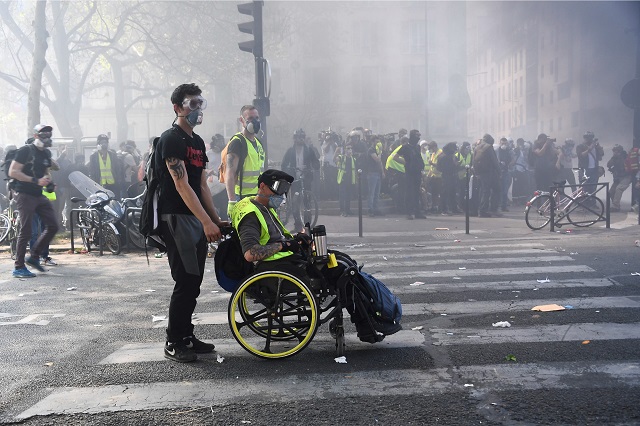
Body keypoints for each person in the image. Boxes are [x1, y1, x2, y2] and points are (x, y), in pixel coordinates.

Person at [156, 83, 226, 363]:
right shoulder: (171, 139)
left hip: (194, 217)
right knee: (185, 280)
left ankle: (187, 335)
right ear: (177, 108)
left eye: (200, 103)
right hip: (177, 217)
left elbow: (201, 185)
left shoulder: (196, 142)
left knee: (194, 279)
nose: (198, 109)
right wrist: (205, 221)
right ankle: (174, 341)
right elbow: (181, 184)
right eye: (192, 104)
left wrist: (214, 219)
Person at [230, 169, 309, 276]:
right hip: (272, 267)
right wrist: (285, 245)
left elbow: (275, 238)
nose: (282, 195)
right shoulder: (250, 214)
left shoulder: (267, 208)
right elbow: (250, 254)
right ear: (262, 186)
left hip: (285, 260)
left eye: (285, 190)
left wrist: (296, 239)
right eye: (279, 188)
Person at [8, 124, 60, 278]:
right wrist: (35, 180)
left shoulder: (46, 153)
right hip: (24, 194)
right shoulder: (26, 150)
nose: (47, 137)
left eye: (49, 134)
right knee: (26, 231)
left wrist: (49, 184)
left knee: (53, 226)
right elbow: (13, 171)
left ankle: (34, 257)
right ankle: (18, 267)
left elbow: (45, 173)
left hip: (38, 195)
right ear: (36, 135)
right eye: (44, 134)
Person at [224, 105, 266, 218]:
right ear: (242, 120)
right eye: (251, 118)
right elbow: (229, 173)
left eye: (257, 118)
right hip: (241, 198)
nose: (255, 121)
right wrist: (232, 201)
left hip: (257, 197)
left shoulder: (258, 143)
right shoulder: (238, 143)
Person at [281, 129, 320, 231]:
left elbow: (316, 162)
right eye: (298, 137)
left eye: (302, 137)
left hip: (306, 178)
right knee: (295, 203)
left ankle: (307, 226)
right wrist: (287, 171)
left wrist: (313, 167)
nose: (301, 139)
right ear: (294, 139)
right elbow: (284, 164)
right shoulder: (290, 151)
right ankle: (297, 226)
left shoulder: (309, 150)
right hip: (295, 179)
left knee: (307, 203)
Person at [395, 130, 426, 219]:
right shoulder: (405, 147)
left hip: (417, 172)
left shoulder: (417, 147)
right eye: (416, 136)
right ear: (412, 136)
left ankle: (417, 212)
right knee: (409, 192)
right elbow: (395, 157)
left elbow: (418, 158)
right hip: (409, 173)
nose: (418, 138)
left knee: (417, 192)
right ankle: (409, 212)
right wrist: (406, 163)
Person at [472, 134, 502, 218]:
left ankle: (482, 210)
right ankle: (490, 210)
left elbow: (473, 161)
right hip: (490, 173)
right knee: (496, 189)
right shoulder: (488, 147)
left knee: (484, 191)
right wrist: (499, 172)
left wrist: (476, 173)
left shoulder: (476, 147)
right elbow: (494, 161)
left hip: (480, 173)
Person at [607, 144, 631, 212]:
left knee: (619, 189)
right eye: (614, 150)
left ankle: (615, 206)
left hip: (626, 176)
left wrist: (619, 157)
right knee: (611, 192)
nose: (615, 152)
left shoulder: (625, 157)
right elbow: (608, 164)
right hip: (618, 178)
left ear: (620, 151)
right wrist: (614, 157)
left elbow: (624, 166)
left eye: (617, 150)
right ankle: (617, 205)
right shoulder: (614, 158)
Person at [366, 134, 385, 217]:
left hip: (378, 173)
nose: (378, 143)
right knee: (372, 192)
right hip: (372, 173)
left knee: (377, 193)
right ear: (372, 141)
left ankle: (375, 208)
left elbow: (380, 163)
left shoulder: (377, 150)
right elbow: (377, 160)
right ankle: (370, 209)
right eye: (376, 141)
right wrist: (380, 152)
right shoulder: (371, 150)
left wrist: (382, 171)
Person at [334, 144, 356, 216]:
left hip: (350, 180)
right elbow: (335, 159)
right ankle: (342, 211)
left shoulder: (353, 159)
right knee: (342, 196)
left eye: (350, 148)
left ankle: (348, 210)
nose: (349, 150)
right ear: (345, 150)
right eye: (347, 148)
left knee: (348, 196)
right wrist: (336, 152)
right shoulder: (342, 157)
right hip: (343, 179)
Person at [497, 137, 515, 211]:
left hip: (506, 172)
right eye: (502, 143)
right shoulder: (497, 151)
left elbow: (513, 159)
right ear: (500, 143)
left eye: (505, 143)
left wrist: (509, 165)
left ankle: (503, 206)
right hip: (498, 172)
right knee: (497, 189)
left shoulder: (509, 151)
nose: (503, 145)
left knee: (505, 190)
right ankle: (497, 205)